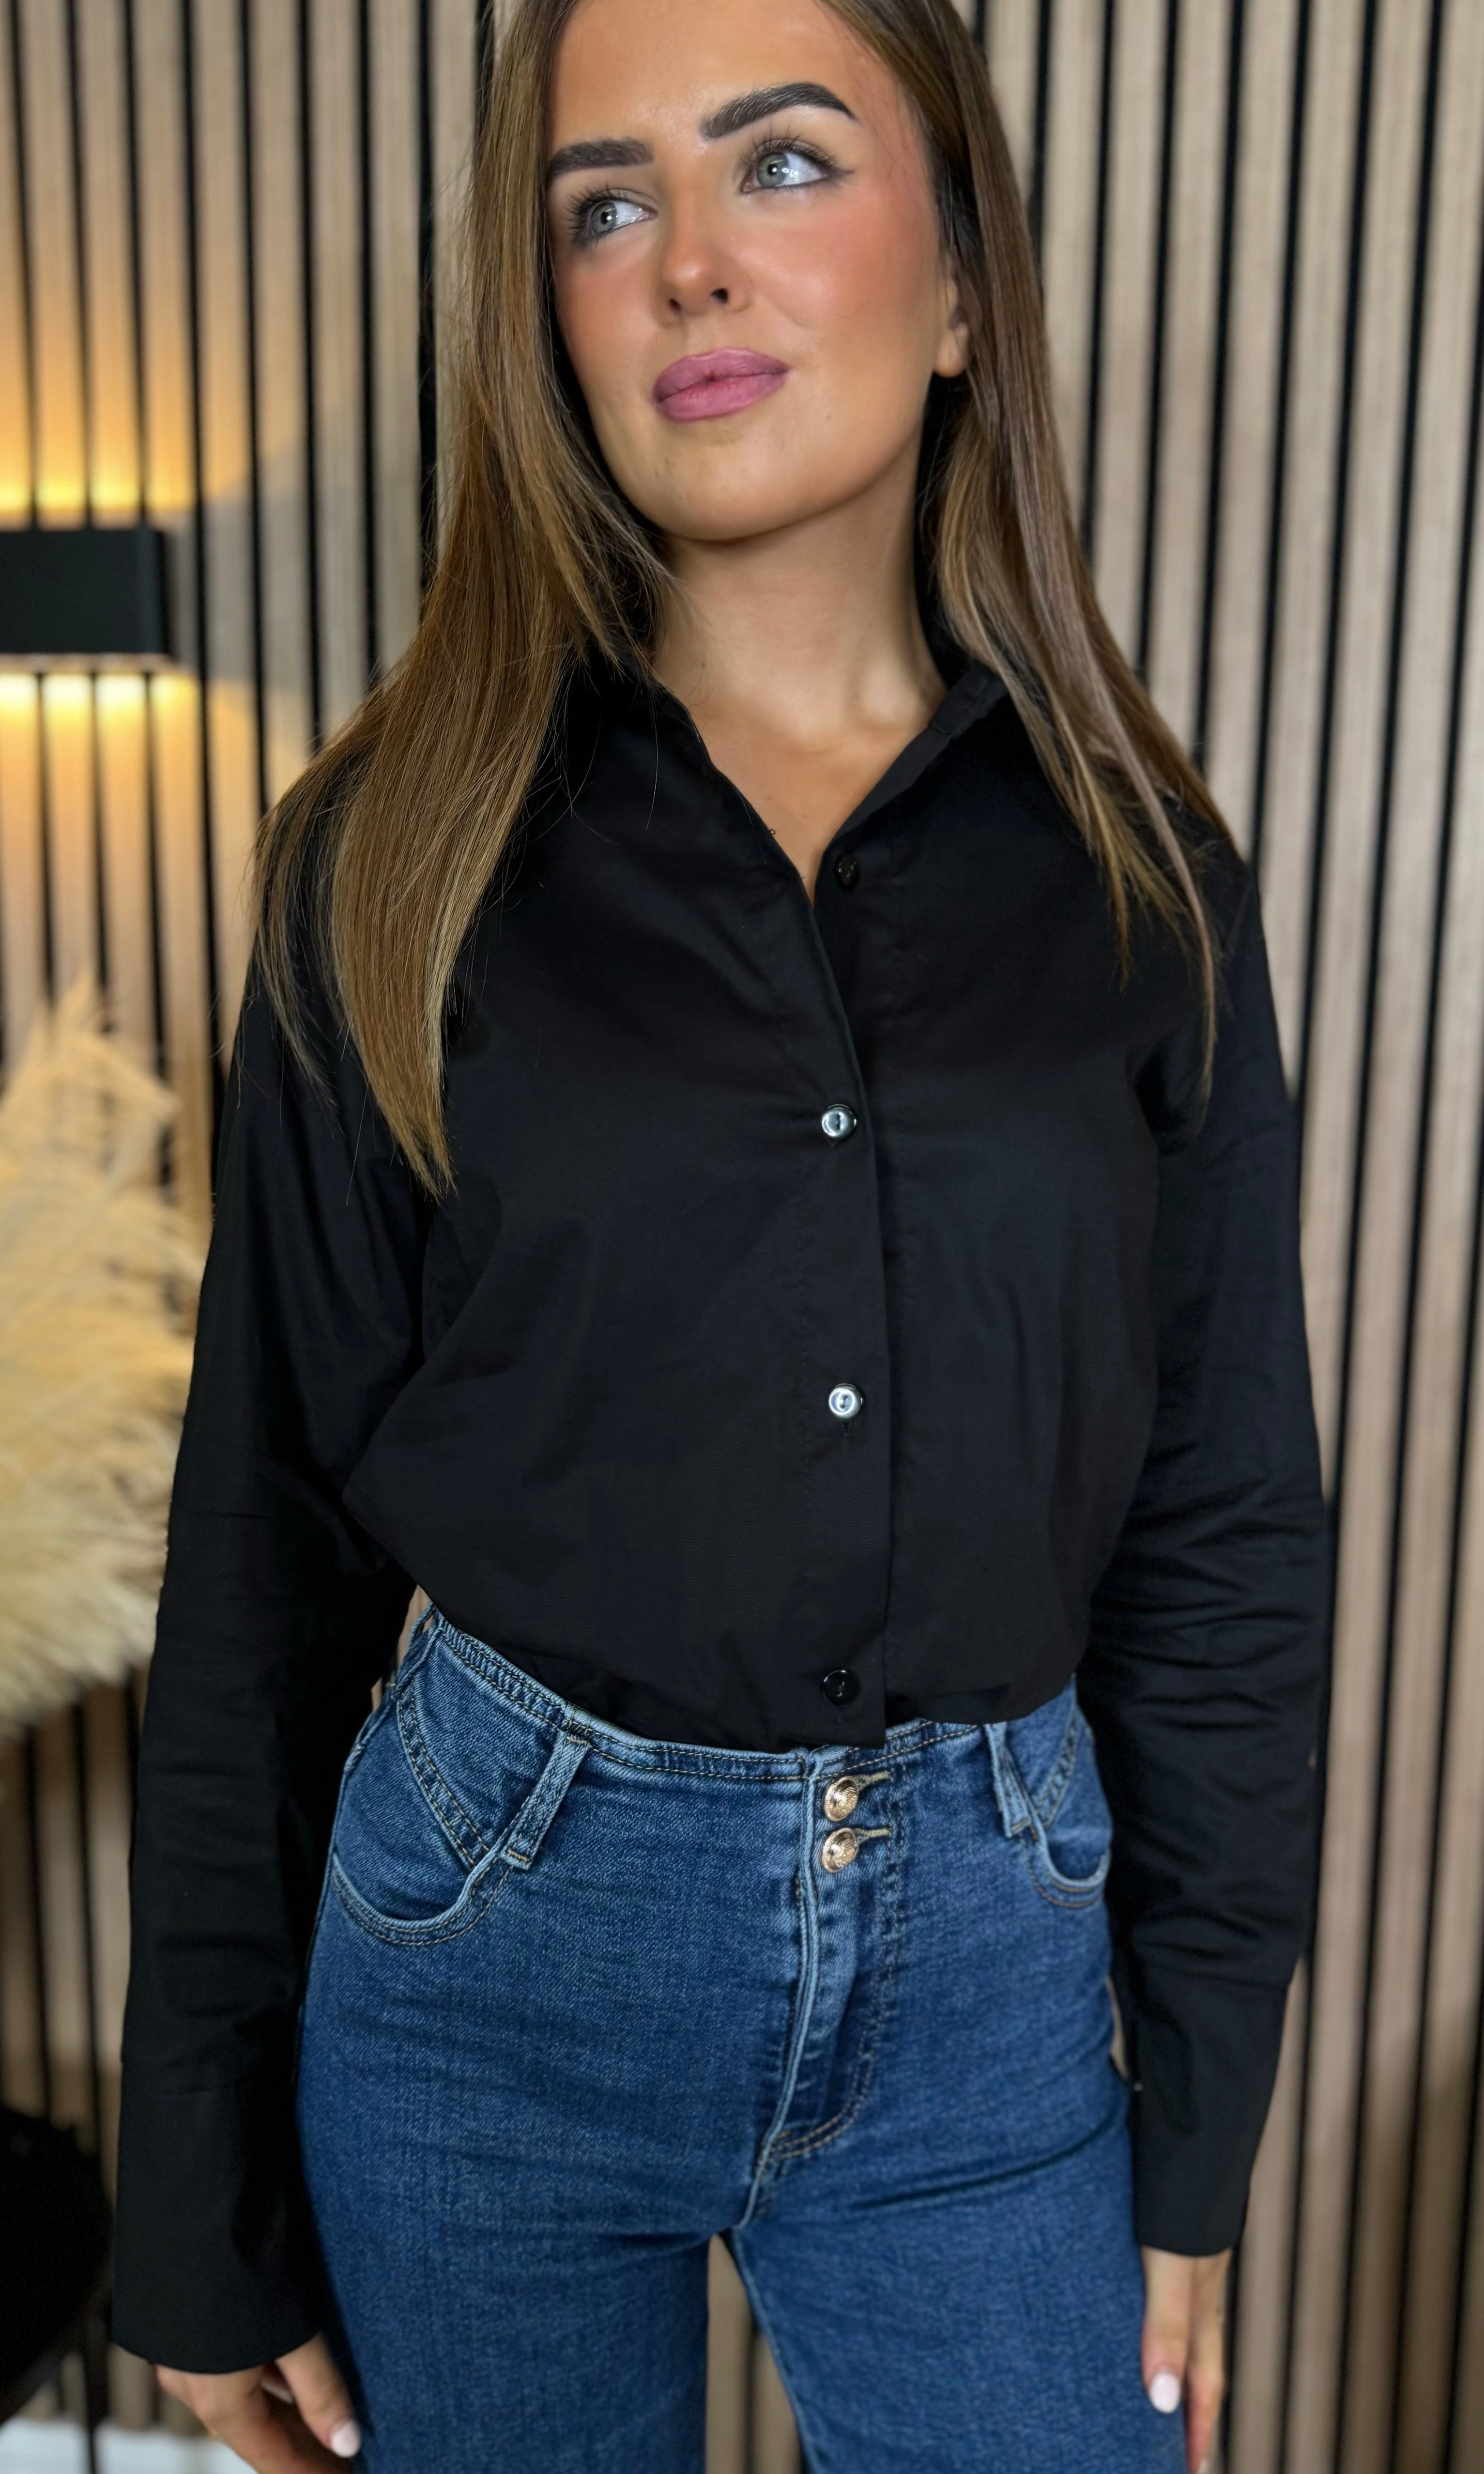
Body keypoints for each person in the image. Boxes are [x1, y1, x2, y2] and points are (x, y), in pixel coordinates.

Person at [110, 0, 1330, 2468]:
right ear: (548, 318)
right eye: (603, 203)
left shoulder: (1142, 879)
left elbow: (1220, 1528)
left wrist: (1195, 2116)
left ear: (959, 277)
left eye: (777, 162)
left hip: (993, 1975)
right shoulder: (388, 859)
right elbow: (263, 1543)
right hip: (488, 1950)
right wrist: (198, 2195)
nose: (682, 261)